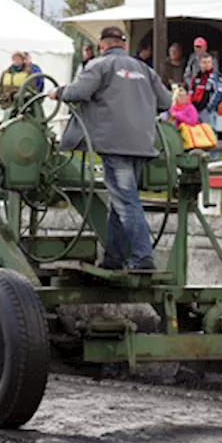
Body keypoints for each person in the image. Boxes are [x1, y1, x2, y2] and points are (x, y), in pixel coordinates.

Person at [50, 26, 171, 271]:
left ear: (102, 45)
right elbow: (166, 102)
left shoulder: (99, 66)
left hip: (114, 143)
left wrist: (58, 92)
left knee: (126, 201)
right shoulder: (144, 69)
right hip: (142, 144)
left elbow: (79, 92)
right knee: (119, 202)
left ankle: (143, 257)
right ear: (124, 45)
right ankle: (113, 259)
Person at [187, 53, 222, 128]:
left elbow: (219, 94)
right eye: (204, 62)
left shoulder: (216, 77)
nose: (207, 65)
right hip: (195, 110)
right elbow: (191, 92)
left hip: (208, 111)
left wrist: (209, 108)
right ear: (200, 63)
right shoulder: (196, 76)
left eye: (209, 62)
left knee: (210, 133)